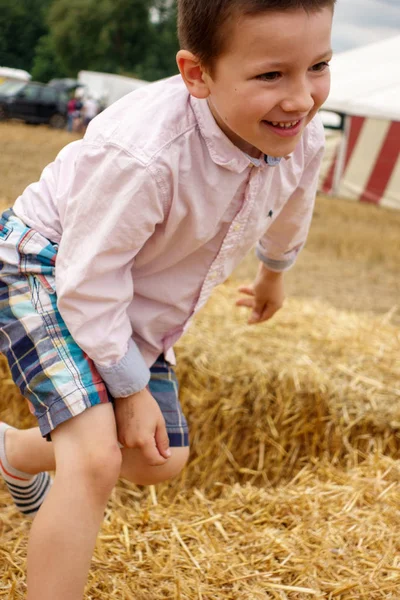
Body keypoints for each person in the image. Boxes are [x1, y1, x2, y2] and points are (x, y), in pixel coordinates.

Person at [0, 0, 334, 598]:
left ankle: (16, 453)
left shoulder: (298, 133)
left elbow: (292, 202)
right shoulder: (143, 153)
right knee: (96, 459)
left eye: (318, 66)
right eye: (271, 75)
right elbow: (87, 280)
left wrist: (273, 274)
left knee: (160, 458)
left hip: (126, 291)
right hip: (49, 263)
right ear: (197, 73)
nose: (303, 98)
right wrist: (127, 389)